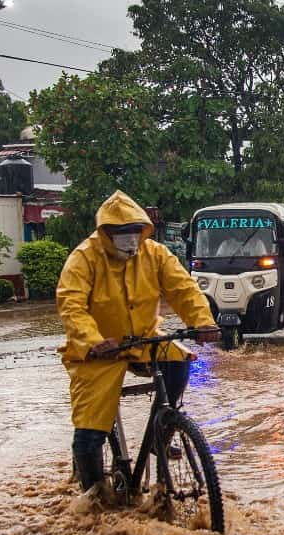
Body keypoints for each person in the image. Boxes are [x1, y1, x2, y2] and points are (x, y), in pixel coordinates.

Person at [56, 190, 220, 492]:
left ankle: (164, 431)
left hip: (145, 340)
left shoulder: (155, 254)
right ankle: (94, 499)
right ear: (106, 233)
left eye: (134, 232)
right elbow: (71, 305)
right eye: (121, 233)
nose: (130, 239)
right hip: (98, 352)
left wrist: (203, 322)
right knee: (90, 430)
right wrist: (93, 341)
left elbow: (183, 289)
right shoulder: (84, 258)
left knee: (180, 360)